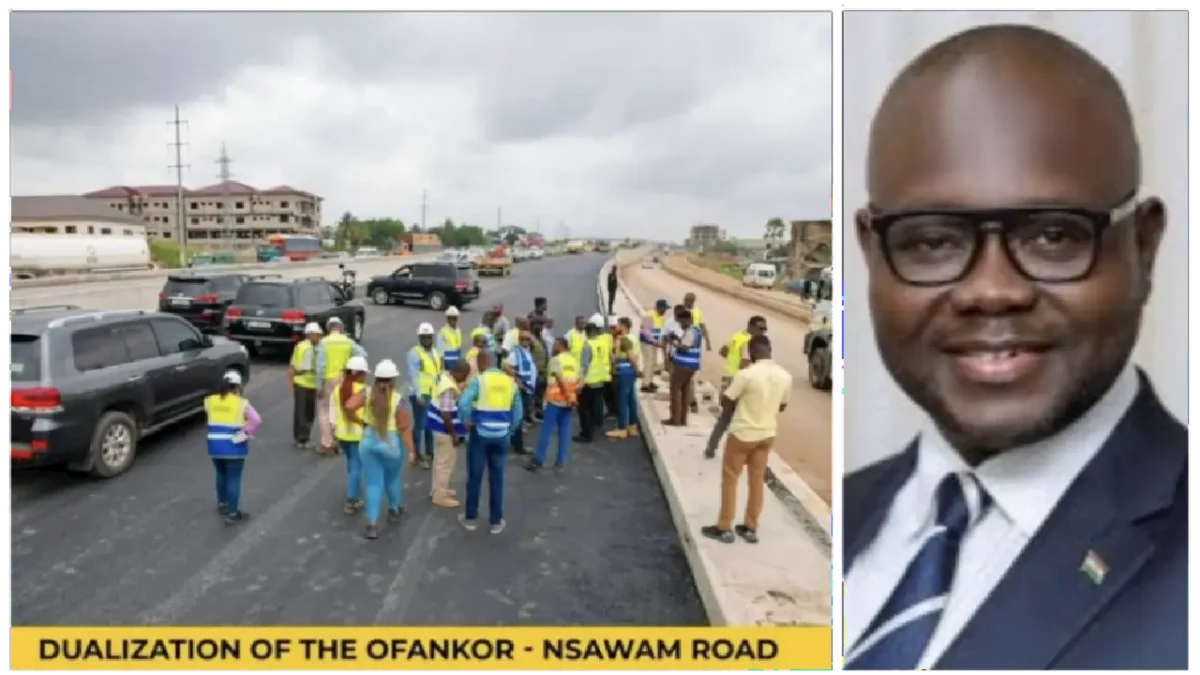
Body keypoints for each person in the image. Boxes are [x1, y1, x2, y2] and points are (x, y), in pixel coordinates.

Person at [840, 25, 1187, 672]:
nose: (991, 291)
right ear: (870, 252)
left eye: (1054, 235)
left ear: (1143, 248)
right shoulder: (847, 511)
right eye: (933, 240)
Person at [699, 335, 791, 544]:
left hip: (742, 434)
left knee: (731, 480)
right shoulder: (785, 376)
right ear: (770, 350)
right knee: (756, 480)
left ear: (750, 353)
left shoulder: (746, 375)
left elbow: (726, 401)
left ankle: (724, 527)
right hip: (766, 434)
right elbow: (782, 406)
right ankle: (750, 527)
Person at [345, 359, 416, 540]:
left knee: (373, 483)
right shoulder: (399, 400)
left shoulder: (367, 393)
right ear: (393, 379)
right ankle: (394, 509)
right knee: (392, 478)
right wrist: (412, 450)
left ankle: (372, 525)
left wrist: (361, 422)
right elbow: (404, 427)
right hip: (390, 445)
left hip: (368, 443)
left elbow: (349, 406)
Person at [457, 349, 523, 534]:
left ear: (480, 363)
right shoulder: (510, 382)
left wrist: (467, 421)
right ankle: (496, 521)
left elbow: (463, 403)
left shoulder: (480, 380)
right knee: (497, 478)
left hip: (481, 435)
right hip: (501, 436)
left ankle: (470, 519)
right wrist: (509, 431)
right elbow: (518, 413)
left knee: (475, 477)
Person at [704, 315, 769, 459]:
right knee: (743, 419)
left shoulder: (737, 336)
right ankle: (738, 453)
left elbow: (723, 351)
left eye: (765, 329)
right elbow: (744, 364)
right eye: (760, 328)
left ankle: (711, 447)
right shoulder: (750, 342)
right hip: (740, 382)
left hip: (728, 379)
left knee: (725, 417)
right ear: (751, 326)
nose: (763, 332)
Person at [204, 370, 262, 525]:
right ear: (237, 387)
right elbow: (256, 420)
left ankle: (222, 504)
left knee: (221, 474)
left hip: (214, 446)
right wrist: (246, 431)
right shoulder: (241, 403)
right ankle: (232, 512)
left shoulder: (210, 401)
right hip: (234, 446)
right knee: (233, 478)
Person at [315, 317, 367, 455]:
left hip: (328, 379)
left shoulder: (323, 342)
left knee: (324, 410)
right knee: (339, 408)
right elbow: (363, 354)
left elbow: (321, 366)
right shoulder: (348, 341)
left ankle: (327, 443)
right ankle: (338, 438)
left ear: (328, 328)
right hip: (343, 378)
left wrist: (318, 385)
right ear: (341, 327)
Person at [526, 337, 579, 473]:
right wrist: (572, 396)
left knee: (546, 431)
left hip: (555, 401)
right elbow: (580, 381)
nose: (553, 347)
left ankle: (539, 460)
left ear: (560, 346)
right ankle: (560, 462)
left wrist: (566, 394)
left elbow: (559, 379)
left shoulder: (556, 360)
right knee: (564, 432)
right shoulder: (574, 361)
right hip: (568, 403)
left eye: (555, 345)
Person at [427, 361, 471, 508]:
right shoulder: (449, 389)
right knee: (446, 464)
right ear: (457, 372)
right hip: (444, 429)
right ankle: (440, 496)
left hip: (436, 427)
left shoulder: (444, 377)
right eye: (464, 376)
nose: (465, 379)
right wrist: (454, 435)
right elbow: (446, 414)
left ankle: (438, 489)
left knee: (439, 461)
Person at [332, 356, 371, 514]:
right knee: (357, 467)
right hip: (357, 435)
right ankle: (351, 499)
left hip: (341, 435)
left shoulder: (337, 390)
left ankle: (353, 490)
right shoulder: (363, 391)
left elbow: (333, 414)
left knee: (351, 464)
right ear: (360, 374)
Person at [406, 322, 441, 469]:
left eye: (429, 337)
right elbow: (414, 375)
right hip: (421, 394)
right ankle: (417, 454)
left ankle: (430, 453)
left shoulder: (434, 352)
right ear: (419, 338)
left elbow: (437, 373)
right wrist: (419, 395)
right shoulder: (414, 353)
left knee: (430, 426)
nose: (427, 339)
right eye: (424, 337)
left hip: (433, 393)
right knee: (421, 425)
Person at [573, 314, 611, 443]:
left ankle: (586, 434)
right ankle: (595, 427)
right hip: (601, 380)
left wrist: (579, 384)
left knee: (584, 409)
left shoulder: (587, 346)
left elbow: (584, 366)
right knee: (595, 407)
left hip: (588, 383)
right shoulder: (602, 343)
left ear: (587, 332)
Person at [664, 305, 702, 426]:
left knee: (675, 391)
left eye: (681, 322)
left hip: (683, 365)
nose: (680, 324)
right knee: (685, 391)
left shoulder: (690, 331)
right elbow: (687, 343)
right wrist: (678, 339)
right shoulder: (696, 330)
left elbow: (685, 347)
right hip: (692, 366)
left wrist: (672, 343)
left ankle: (675, 419)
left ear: (687, 320)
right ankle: (683, 419)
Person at [606, 316, 641, 439]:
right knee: (631, 400)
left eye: (618, 325)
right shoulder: (633, 338)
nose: (615, 327)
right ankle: (632, 426)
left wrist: (637, 370)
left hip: (624, 371)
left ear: (623, 326)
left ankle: (621, 428)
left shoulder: (624, 340)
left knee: (622, 400)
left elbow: (630, 357)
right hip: (629, 372)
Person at [289, 322, 323, 449]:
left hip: (303, 383)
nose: (319, 337)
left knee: (301, 412)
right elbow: (305, 367)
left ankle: (300, 437)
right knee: (306, 412)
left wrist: (291, 380)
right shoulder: (308, 348)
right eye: (318, 335)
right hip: (305, 383)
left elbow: (292, 364)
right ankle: (303, 438)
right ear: (311, 335)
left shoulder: (300, 346)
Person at [503, 330, 537, 454]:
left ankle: (514, 441)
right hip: (521, 389)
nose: (526, 341)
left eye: (528, 339)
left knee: (520, 416)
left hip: (527, 388)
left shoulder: (526, 351)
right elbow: (507, 366)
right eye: (524, 339)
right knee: (519, 416)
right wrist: (518, 381)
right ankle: (518, 445)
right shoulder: (516, 352)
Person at [682, 292, 712, 415]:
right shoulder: (680, 311)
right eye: (687, 300)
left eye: (691, 300)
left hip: (693, 352)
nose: (689, 302)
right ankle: (685, 403)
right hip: (682, 350)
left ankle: (692, 401)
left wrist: (708, 342)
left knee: (691, 379)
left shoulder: (698, 312)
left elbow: (703, 326)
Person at [639, 299, 670, 392]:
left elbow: (660, 331)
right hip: (647, 343)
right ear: (659, 308)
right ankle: (645, 384)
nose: (665, 311)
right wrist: (655, 342)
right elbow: (646, 331)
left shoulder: (660, 317)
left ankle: (650, 381)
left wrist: (661, 342)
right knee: (648, 363)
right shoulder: (649, 315)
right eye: (664, 309)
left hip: (654, 343)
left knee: (653, 363)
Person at [528, 315, 550, 421]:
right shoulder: (530, 338)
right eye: (538, 324)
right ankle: (531, 414)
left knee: (540, 392)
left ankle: (539, 411)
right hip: (534, 371)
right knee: (533, 393)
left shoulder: (540, 338)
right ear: (532, 325)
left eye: (541, 324)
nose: (540, 327)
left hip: (542, 370)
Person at [437, 306, 464, 371]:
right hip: (447, 362)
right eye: (450, 318)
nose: (452, 320)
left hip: (457, 361)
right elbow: (441, 353)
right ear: (447, 319)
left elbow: (459, 347)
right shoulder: (442, 332)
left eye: (454, 318)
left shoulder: (458, 330)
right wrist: (442, 368)